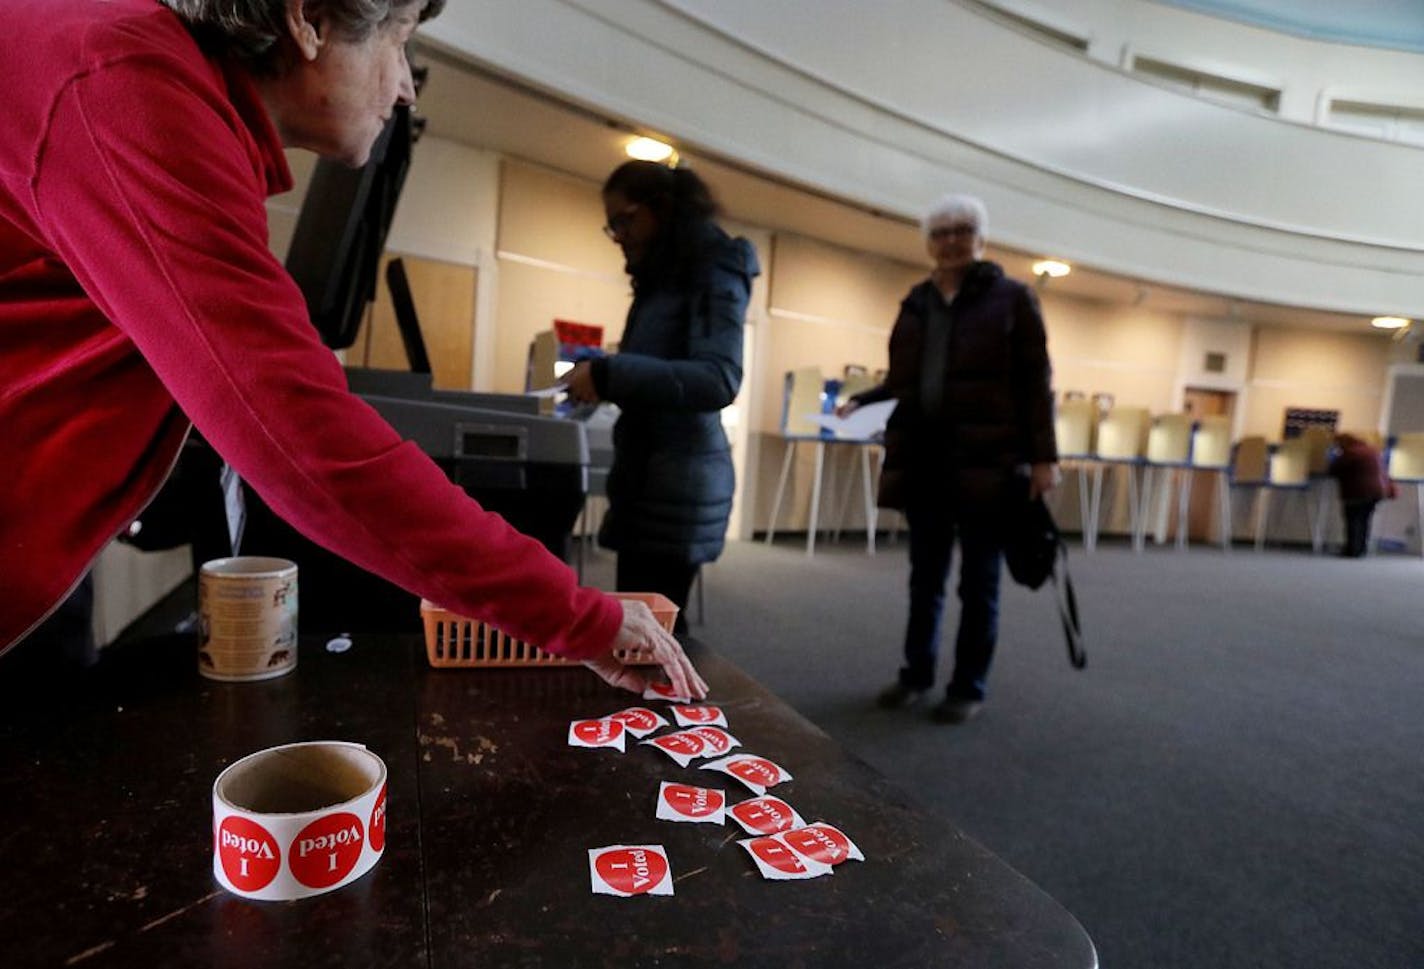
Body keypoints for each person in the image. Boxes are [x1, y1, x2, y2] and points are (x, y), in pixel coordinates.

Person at [0, 0, 705, 700]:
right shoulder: (125, 85)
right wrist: (580, 616)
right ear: (307, 18)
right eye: (398, 42)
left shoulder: (142, 80)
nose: (403, 84)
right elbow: (308, 444)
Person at [840, 193, 1057, 723]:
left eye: (963, 230)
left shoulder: (1013, 298)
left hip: (990, 463)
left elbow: (1036, 385)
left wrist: (1043, 459)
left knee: (979, 582)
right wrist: (861, 402)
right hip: (926, 462)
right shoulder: (914, 303)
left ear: (981, 238)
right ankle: (915, 675)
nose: (952, 240)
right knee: (925, 578)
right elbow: (903, 381)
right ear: (929, 243)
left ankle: (968, 686)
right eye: (942, 232)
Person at [564, 162, 759, 634]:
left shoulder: (713, 269)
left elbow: (718, 379)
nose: (618, 235)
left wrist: (611, 372)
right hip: (656, 475)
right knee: (647, 631)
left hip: (679, 480)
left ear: (662, 209)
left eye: (623, 220)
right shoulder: (666, 275)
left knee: (657, 634)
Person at [1328, 433, 1394, 557]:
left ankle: (1352, 550)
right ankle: (1361, 548)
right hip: (1377, 491)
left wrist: (1332, 458)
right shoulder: (1372, 450)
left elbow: (1334, 470)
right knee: (1364, 520)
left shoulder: (1350, 453)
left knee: (1353, 520)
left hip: (1357, 491)